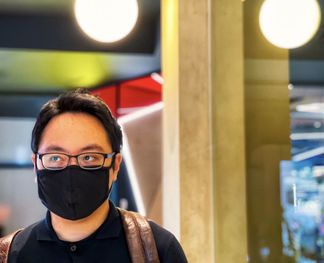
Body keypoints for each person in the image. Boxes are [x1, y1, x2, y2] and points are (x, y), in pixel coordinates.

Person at [1, 89, 187, 263]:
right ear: (36, 164)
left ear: (115, 165)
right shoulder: (9, 255)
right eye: (56, 157)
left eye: (89, 157)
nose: (71, 169)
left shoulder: (156, 249)